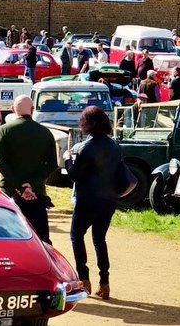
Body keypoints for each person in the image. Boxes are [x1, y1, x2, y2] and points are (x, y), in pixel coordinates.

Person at [65, 105, 121, 301]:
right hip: (109, 199)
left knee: (76, 236)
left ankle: (83, 280)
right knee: (99, 239)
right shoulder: (114, 144)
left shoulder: (85, 147)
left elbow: (74, 175)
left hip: (88, 199)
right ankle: (104, 283)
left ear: (86, 124)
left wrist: (67, 159)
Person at [0, 95, 59, 243]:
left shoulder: (4, 130)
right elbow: (52, 164)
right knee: (41, 239)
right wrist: (31, 185)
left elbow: (0, 163)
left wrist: (21, 187)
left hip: (11, 191)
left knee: (10, 237)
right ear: (32, 110)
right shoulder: (45, 132)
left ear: (12, 110)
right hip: (37, 192)